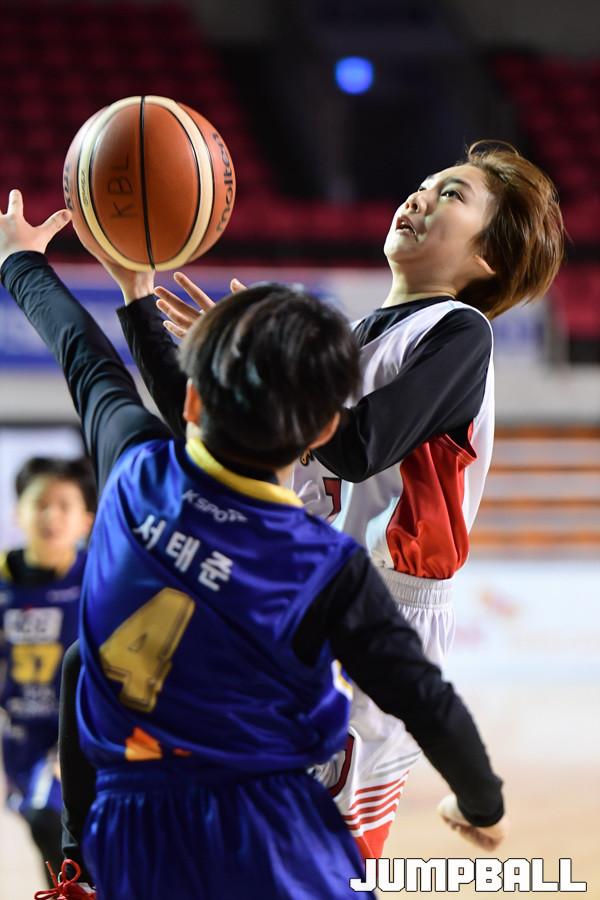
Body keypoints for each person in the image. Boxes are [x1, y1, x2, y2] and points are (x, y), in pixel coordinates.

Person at [0, 190, 506, 900]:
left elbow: (86, 359)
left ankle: (75, 867)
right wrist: (483, 802)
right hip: (267, 819)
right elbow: (425, 698)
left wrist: (27, 264)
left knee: (87, 660)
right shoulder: (321, 566)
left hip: (137, 816)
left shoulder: (139, 469)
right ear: (319, 432)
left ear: (195, 403)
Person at [119, 142, 565, 858]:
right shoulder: (347, 342)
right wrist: (139, 300)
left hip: (383, 607)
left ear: (488, 258)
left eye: (452, 195)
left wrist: (265, 364)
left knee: (318, 859)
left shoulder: (459, 331)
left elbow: (361, 446)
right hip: (297, 596)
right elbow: (204, 432)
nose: (420, 196)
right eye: (424, 182)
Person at [0, 456, 94, 882]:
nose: (50, 515)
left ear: (86, 520)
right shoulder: (5, 579)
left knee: (52, 819)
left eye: (63, 505)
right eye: (40, 503)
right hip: (23, 734)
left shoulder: (99, 575)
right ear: (18, 512)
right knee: (45, 827)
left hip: (81, 729)